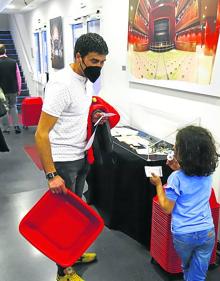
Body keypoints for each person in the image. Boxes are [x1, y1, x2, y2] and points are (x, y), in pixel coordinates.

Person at [35, 33, 109, 281]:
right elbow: (41, 134)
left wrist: (94, 117)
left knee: (75, 215)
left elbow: (74, 116)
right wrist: (51, 174)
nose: (98, 66)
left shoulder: (86, 81)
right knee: (63, 219)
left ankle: (73, 254)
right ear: (78, 56)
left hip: (80, 156)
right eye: (94, 61)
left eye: (102, 62)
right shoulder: (62, 84)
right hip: (63, 162)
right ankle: (63, 271)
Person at [150, 125, 219, 281]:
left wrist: (159, 185)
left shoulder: (176, 178)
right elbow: (192, 177)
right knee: (198, 272)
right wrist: (178, 168)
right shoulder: (208, 174)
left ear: (185, 153)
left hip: (184, 234)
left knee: (187, 267)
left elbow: (167, 208)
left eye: (177, 146)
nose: (174, 147)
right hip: (207, 231)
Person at [0, 44, 21, 134]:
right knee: (13, 107)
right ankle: (16, 126)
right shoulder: (13, 62)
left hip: (2, 91)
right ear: (5, 51)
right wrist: (19, 89)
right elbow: (18, 77)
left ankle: (6, 128)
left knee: (3, 109)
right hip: (13, 89)